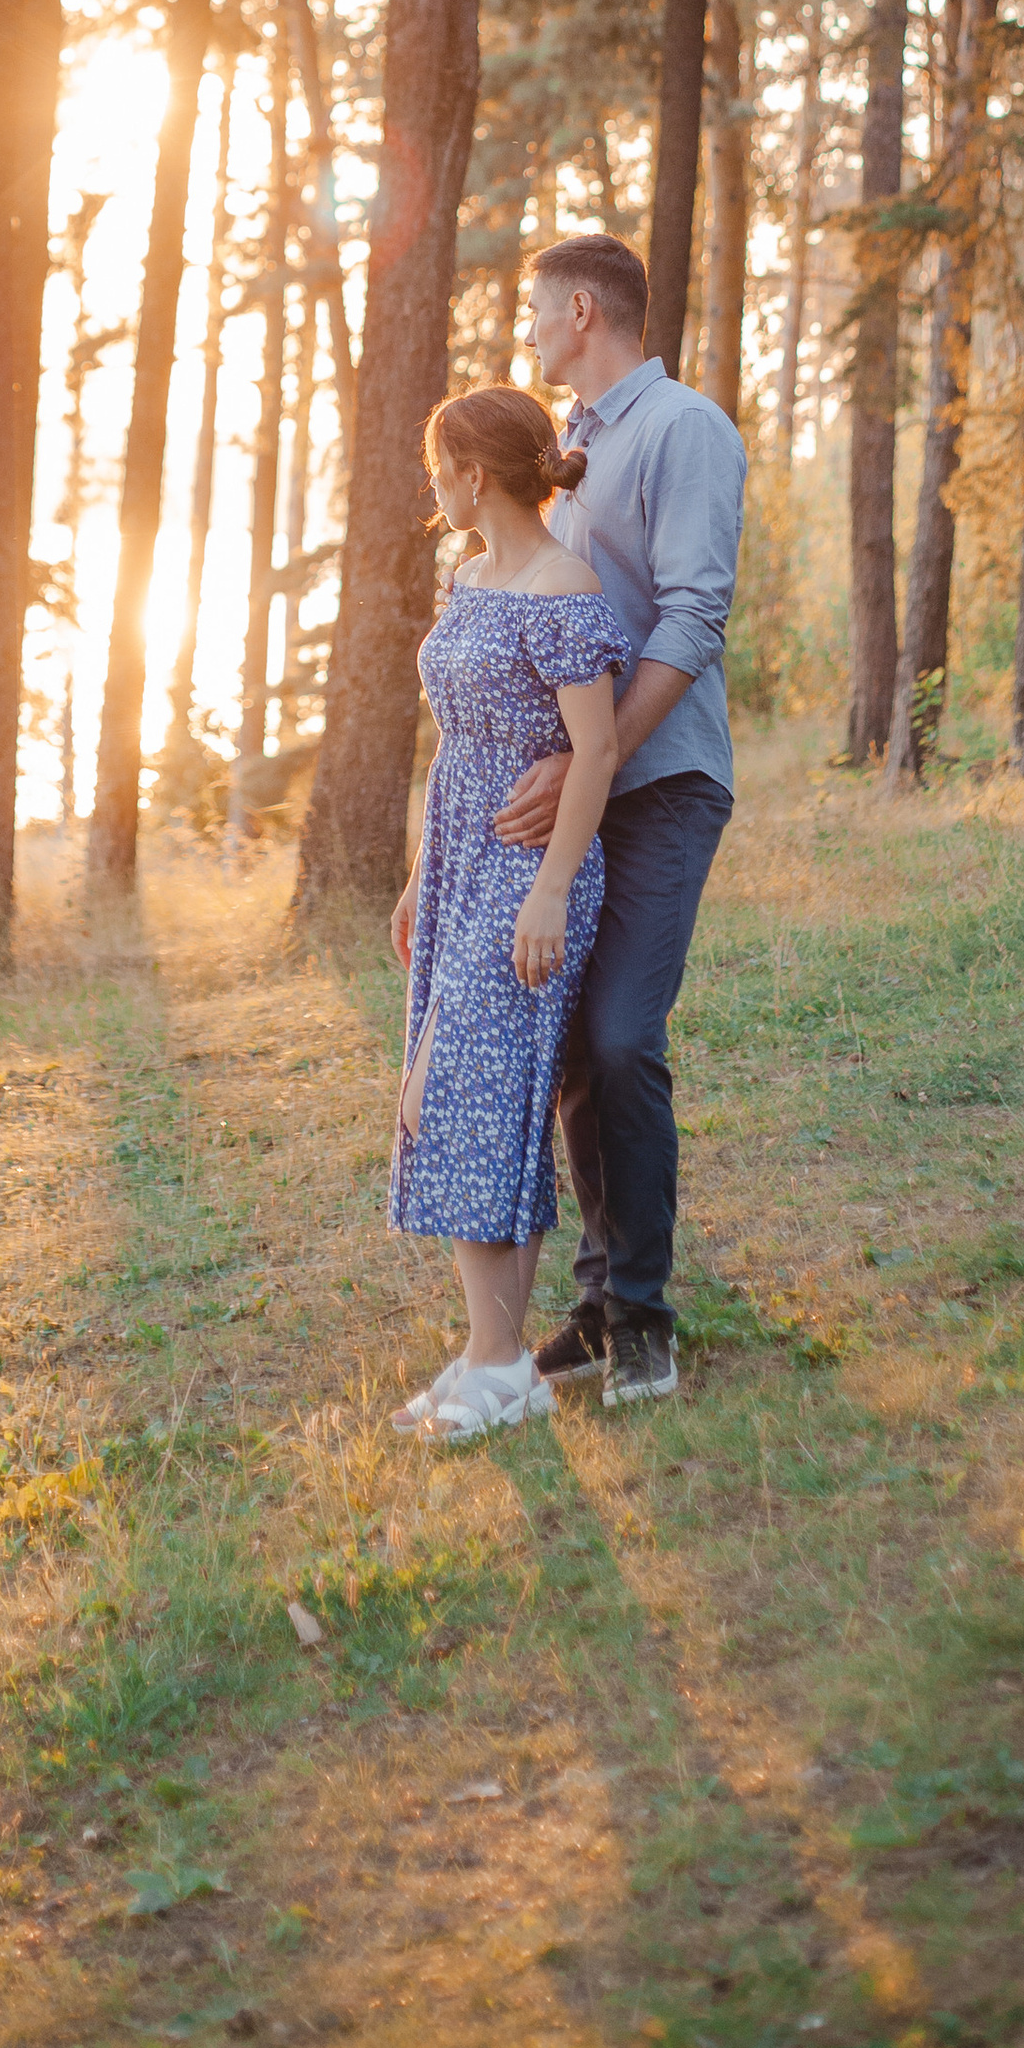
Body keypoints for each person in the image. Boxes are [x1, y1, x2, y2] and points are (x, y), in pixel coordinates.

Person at [497, 230, 745, 1411]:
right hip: (578, 794)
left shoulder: (682, 430)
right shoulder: (568, 453)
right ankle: (598, 1308)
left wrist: (597, 759)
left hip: (662, 784)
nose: (527, 328)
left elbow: (693, 618)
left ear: (584, 311)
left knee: (622, 1036)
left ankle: (642, 1314)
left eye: (535, 309)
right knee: (570, 1058)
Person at [386, 384, 630, 1447]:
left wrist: (547, 891)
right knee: (488, 1101)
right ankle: (498, 1357)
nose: (431, 483)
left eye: (437, 464)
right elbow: (458, 740)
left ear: (472, 474)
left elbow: (599, 752)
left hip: (531, 871)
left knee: (458, 1094)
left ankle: (495, 1364)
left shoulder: (562, 586)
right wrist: (414, 874)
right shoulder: (471, 576)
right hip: (456, 867)